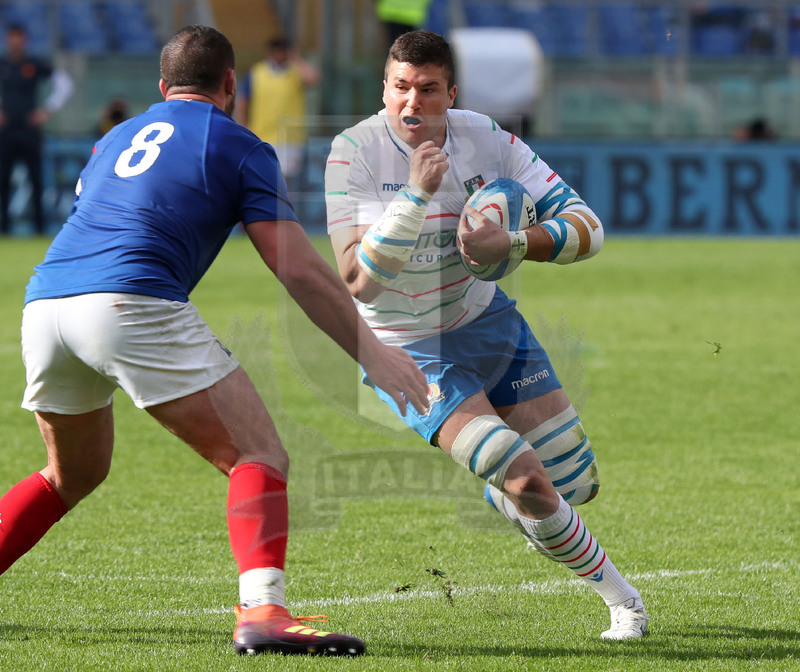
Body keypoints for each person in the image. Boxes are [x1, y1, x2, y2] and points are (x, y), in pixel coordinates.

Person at [0, 25, 430, 657]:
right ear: (231, 84)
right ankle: (263, 611)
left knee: (74, 473)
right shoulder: (238, 144)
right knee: (259, 453)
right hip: (130, 301)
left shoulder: (113, 137)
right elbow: (299, 270)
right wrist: (375, 353)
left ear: (162, 88)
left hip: (45, 305)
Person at [325, 29, 649, 640]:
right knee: (525, 475)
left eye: (426, 90)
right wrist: (417, 194)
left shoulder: (488, 138)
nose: (410, 103)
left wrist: (517, 244)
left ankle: (514, 499)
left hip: (487, 322)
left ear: (452, 93)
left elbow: (589, 225)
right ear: (385, 89)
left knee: (574, 484)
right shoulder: (354, 151)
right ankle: (624, 601)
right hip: (405, 345)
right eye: (399, 88)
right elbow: (358, 281)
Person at [0, 23, 73, 236]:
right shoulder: (3, 64)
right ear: (7, 39)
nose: (15, 41)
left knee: (36, 180)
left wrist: (46, 111)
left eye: (18, 37)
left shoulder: (34, 64)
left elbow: (65, 84)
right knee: (3, 180)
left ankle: (40, 230)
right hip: (6, 132)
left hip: (30, 131)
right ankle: (4, 230)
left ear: (24, 40)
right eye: (11, 37)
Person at [236, 36, 320, 189]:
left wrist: (296, 58)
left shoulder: (296, 72)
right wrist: (244, 126)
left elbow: (313, 78)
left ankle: (282, 211)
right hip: (262, 134)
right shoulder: (257, 73)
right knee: (265, 178)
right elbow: (243, 100)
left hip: (289, 137)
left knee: (283, 181)